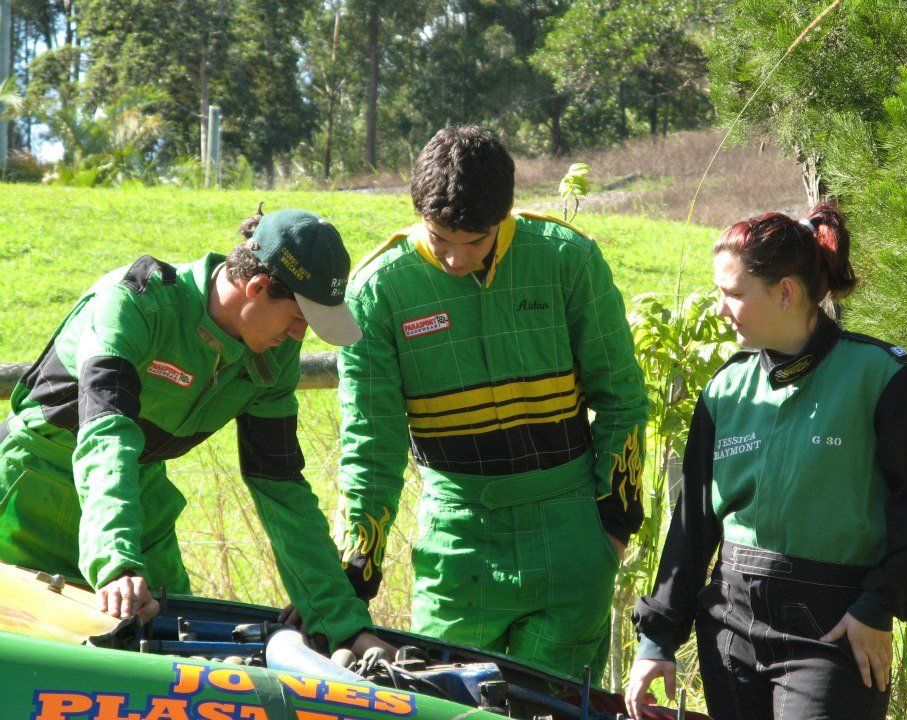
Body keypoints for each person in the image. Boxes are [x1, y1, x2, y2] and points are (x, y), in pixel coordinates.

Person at [0, 207, 388, 658]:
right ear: (257, 288)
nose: (303, 334)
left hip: (138, 499)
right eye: (300, 317)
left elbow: (281, 486)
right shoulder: (133, 304)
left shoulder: (273, 358)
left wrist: (340, 619)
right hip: (32, 493)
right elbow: (107, 439)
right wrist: (116, 562)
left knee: (184, 665)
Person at [334, 125, 648, 679]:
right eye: (439, 238)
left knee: (555, 709)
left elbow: (622, 396)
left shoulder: (566, 260)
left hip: (572, 534)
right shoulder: (378, 291)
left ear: (505, 216)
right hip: (458, 541)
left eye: (473, 242)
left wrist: (612, 529)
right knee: (446, 704)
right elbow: (370, 447)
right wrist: (353, 576)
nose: (454, 258)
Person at [625, 204, 907, 720]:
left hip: (835, 630)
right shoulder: (725, 389)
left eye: (733, 294)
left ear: (785, 292)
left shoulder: (882, 378)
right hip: (730, 631)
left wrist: (878, 606)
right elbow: (692, 525)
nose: (720, 308)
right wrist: (658, 639)